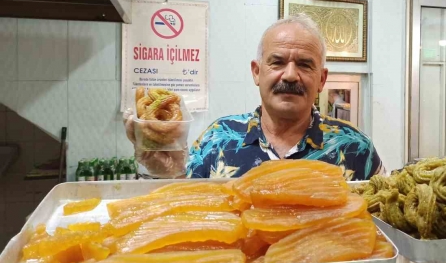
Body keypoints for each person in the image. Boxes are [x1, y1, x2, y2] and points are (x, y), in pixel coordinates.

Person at [124, 14, 384, 181]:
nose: (291, 75)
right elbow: (186, 214)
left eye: (305, 64)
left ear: (322, 80)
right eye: (278, 62)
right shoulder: (216, 140)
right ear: (257, 72)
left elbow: (387, 221)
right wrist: (167, 172)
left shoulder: (356, 149)